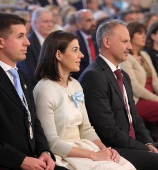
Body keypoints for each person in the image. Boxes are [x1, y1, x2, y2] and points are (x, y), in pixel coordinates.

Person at [33, 30, 136, 170]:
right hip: (63, 153)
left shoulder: (75, 85)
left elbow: (86, 128)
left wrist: (104, 150)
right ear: (58, 55)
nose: (81, 55)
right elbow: (52, 142)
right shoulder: (44, 89)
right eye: (75, 50)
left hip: (85, 146)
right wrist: (93, 155)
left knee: (126, 167)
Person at [0, 12, 67, 170]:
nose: (27, 42)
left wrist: (44, 151)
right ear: (0, 42)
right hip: (7, 163)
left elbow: (34, 120)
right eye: (20, 36)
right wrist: (20, 160)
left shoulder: (23, 77)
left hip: (35, 159)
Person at [78, 19, 158, 170]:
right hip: (113, 149)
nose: (129, 46)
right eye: (125, 41)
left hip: (131, 143)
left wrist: (148, 143)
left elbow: (135, 117)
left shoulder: (123, 75)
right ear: (107, 42)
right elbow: (107, 130)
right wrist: (143, 147)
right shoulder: (93, 76)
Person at [120, 21, 158, 123]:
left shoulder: (145, 55)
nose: (144, 37)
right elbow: (135, 88)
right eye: (140, 33)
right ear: (130, 35)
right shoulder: (126, 58)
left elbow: (155, 81)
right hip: (137, 100)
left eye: (145, 34)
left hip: (151, 96)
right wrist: (155, 98)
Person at [17, 7, 54, 87]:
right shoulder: (28, 43)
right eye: (45, 21)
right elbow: (30, 73)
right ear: (35, 23)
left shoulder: (54, 41)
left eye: (51, 21)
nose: (50, 24)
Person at [72, 9, 99, 79]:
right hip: (82, 77)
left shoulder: (97, 37)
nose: (93, 23)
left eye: (93, 19)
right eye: (88, 20)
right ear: (79, 24)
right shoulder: (73, 40)